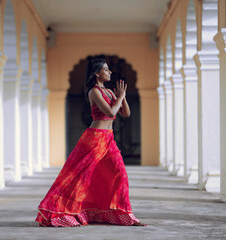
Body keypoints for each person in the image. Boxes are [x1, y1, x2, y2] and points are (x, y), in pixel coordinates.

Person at [35, 58, 147, 227]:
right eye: (106, 69)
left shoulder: (109, 92)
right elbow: (110, 112)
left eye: (109, 69)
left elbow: (126, 113)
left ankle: (125, 215)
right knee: (81, 177)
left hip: (109, 138)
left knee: (120, 174)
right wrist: (120, 97)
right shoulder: (94, 92)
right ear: (97, 73)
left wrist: (121, 97)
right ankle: (62, 212)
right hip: (94, 138)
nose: (109, 72)